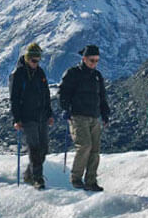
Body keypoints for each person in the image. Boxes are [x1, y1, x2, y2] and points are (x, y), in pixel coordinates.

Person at [59, 44, 111, 192]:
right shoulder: (73, 73)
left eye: (96, 60)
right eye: (91, 60)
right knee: (85, 146)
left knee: (95, 150)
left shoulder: (97, 76)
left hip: (94, 117)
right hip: (78, 116)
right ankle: (76, 178)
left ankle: (91, 181)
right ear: (84, 59)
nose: (94, 63)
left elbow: (102, 97)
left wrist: (105, 114)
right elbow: (63, 93)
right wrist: (66, 108)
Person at [10, 43, 54, 190]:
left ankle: (29, 174)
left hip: (42, 116)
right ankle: (38, 179)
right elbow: (14, 98)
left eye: (38, 60)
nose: (36, 63)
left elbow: (46, 94)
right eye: (34, 60)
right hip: (28, 117)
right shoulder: (19, 74)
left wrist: (49, 113)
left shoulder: (40, 73)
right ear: (28, 58)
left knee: (44, 148)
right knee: (34, 148)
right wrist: (16, 119)